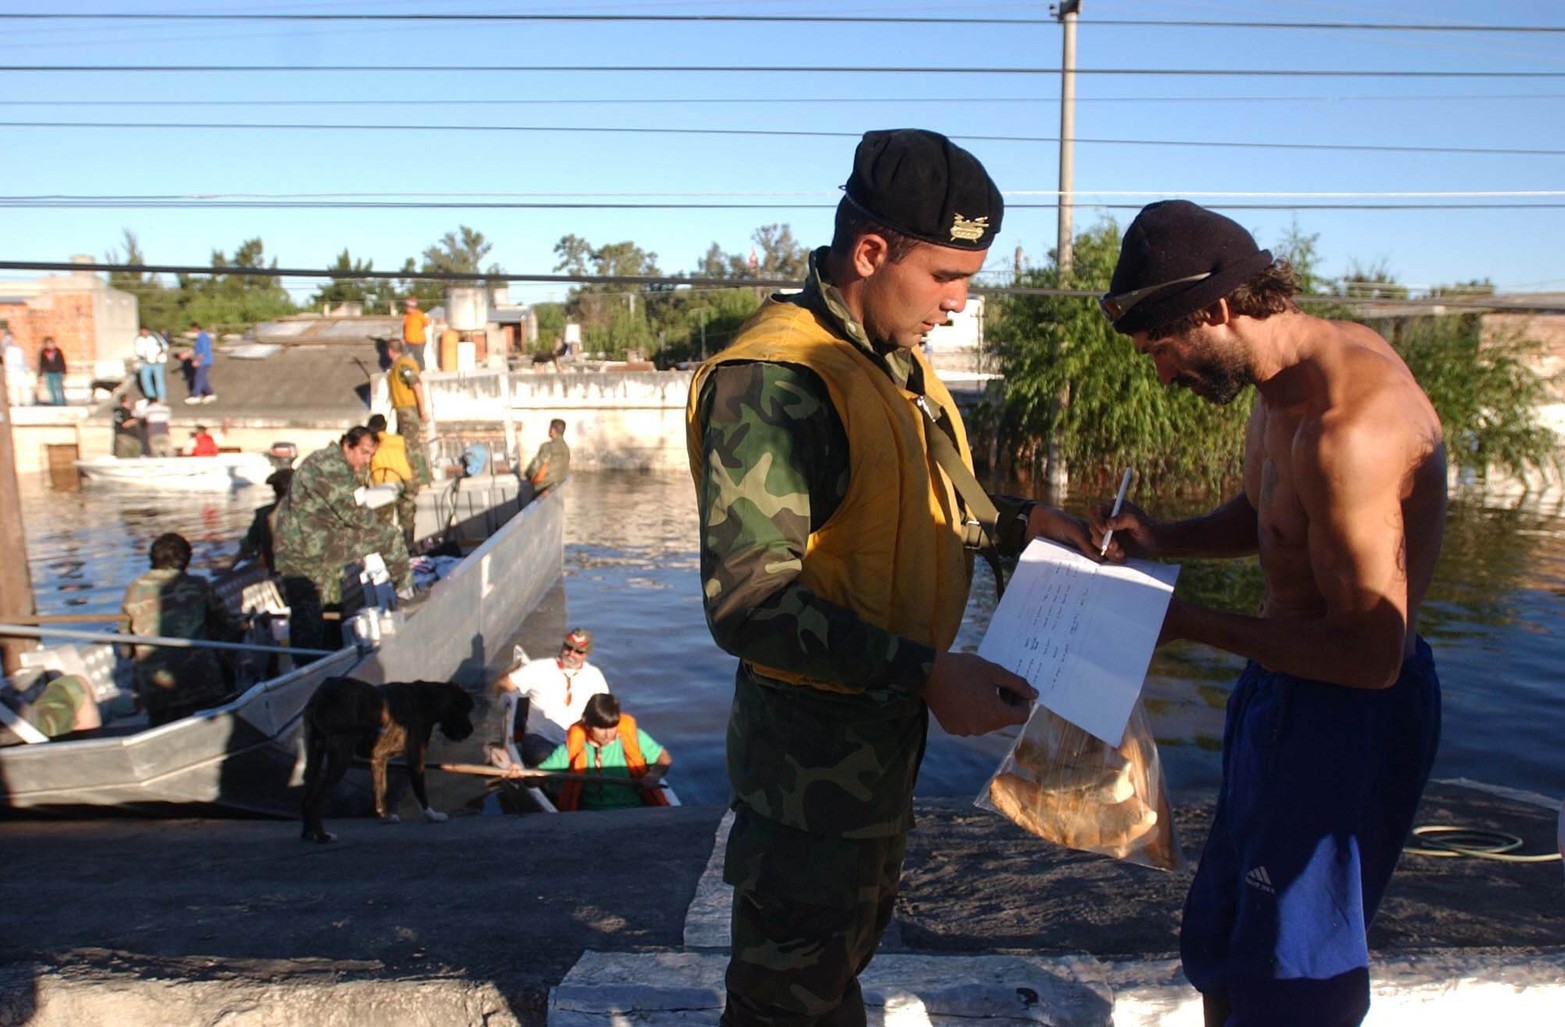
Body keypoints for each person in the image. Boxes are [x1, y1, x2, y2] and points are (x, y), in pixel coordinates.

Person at [686, 128, 1095, 1026]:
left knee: (834, 975)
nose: (958, 303)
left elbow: (926, 508)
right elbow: (749, 605)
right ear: (871, 251)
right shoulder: (777, 381)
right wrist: (925, 671)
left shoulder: (889, 360)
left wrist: (1029, 527)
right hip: (809, 773)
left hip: (874, 758)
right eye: (947, 276)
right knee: (782, 1001)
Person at [1093, 199, 1446, 1027]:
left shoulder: (1349, 426)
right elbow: (1271, 520)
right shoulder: (1276, 385)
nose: (1162, 374)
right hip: (1281, 686)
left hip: (1348, 716)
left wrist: (1188, 623)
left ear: (1215, 309)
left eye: (1162, 347)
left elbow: (1372, 655)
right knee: (1228, 936)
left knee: (1296, 975)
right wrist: (1158, 539)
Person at [272, 426, 413, 656]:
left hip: (314, 546)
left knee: (329, 607)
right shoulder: (330, 466)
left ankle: (328, 656)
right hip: (307, 550)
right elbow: (355, 513)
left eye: (371, 455)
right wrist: (375, 533)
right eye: (364, 453)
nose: (367, 460)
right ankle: (407, 597)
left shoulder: (336, 463)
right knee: (389, 536)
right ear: (347, 445)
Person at [119, 532, 241, 727]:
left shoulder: (134, 589)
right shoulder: (199, 585)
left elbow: (126, 649)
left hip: (156, 691)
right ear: (186, 560)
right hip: (201, 685)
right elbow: (226, 625)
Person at [535, 693, 671, 811]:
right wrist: (523, 775)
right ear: (586, 723)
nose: (607, 734)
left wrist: (654, 774)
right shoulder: (573, 746)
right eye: (600, 728)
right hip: (591, 815)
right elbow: (538, 776)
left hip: (633, 810)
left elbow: (663, 758)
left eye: (612, 727)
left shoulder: (634, 737)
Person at [495, 628, 610, 767]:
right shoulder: (539, 668)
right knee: (554, 765)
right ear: (563, 646)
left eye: (578, 651)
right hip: (540, 740)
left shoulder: (595, 676)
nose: (571, 653)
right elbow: (504, 684)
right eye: (568, 647)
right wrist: (501, 698)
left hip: (579, 742)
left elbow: (605, 711)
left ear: (586, 655)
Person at [384, 336, 433, 495]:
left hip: (408, 410)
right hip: (402, 410)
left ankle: (422, 481)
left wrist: (422, 410)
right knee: (407, 445)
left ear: (390, 351)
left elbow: (416, 385)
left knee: (413, 447)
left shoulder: (403, 365)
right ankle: (415, 479)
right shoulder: (398, 365)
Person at [366, 412, 419, 553]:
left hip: (383, 486)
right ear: (385, 426)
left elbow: (364, 469)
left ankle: (387, 552)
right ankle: (410, 549)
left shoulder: (371, 445)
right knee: (407, 518)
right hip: (404, 482)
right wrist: (415, 483)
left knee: (384, 521)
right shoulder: (400, 440)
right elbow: (413, 461)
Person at [238, 468, 293, 574]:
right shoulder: (313, 513)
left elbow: (248, 545)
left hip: (276, 573)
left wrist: (230, 569)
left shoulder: (263, 514)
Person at [523, 418, 570, 496]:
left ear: (553, 430)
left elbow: (536, 467)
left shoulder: (547, 447)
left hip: (543, 488)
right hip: (557, 486)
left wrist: (528, 475)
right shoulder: (566, 448)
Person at [180, 321, 216, 404]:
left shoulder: (202, 336)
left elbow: (204, 350)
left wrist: (197, 361)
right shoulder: (201, 336)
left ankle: (195, 395)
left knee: (198, 378)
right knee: (202, 378)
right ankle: (210, 393)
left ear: (195, 328)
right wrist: (186, 354)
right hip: (204, 361)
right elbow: (196, 349)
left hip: (204, 361)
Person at [133, 326, 169, 402]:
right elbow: (138, 351)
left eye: (145, 331)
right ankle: (151, 396)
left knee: (159, 379)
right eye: (142, 331)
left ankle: (161, 396)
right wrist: (143, 357)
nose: (144, 333)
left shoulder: (155, 337)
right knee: (145, 379)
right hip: (146, 362)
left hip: (157, 361)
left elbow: (165, 346)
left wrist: (158, 355)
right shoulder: (138, 340)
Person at [2, 324, 31, 409]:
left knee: (24, 387)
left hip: (20, 370)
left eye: (10, 336)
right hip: (11, 371)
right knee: (13, 388)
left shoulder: (18, 348)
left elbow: (23, 359)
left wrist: (26, 368)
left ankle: (27, 402)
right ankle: (16, 403)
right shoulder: (5, 348)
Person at [401, 296, 432, 370]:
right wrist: (403, 338)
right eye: (406, 306)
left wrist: (419, 330)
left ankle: (422, 371)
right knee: (403, 356)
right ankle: (404, 371)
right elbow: (405, 327)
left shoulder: (419, 315)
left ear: (412, 307)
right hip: (407, 341)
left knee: (419, 357)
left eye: (407, 306)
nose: (406, 308)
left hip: (418, 342)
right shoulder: (406, 316)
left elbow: (426, 323)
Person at [111, 393, 144, 458]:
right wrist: (136, 420)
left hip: (125, 436)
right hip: (126, 436)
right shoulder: (124, 411)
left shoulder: (119, 411)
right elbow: (125, 424)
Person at [38, 336, 66, 406]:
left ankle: (62, 402)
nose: (50, 345)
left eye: (51, 343)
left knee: (59, 387)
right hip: (49, 372)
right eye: (48, 344)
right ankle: (55, 401)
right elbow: (42, 363)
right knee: (51, 388)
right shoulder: (44, 353)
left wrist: (64, 372)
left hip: (58, 372)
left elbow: (62, 362)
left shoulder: (58, 351)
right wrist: (40, 374)